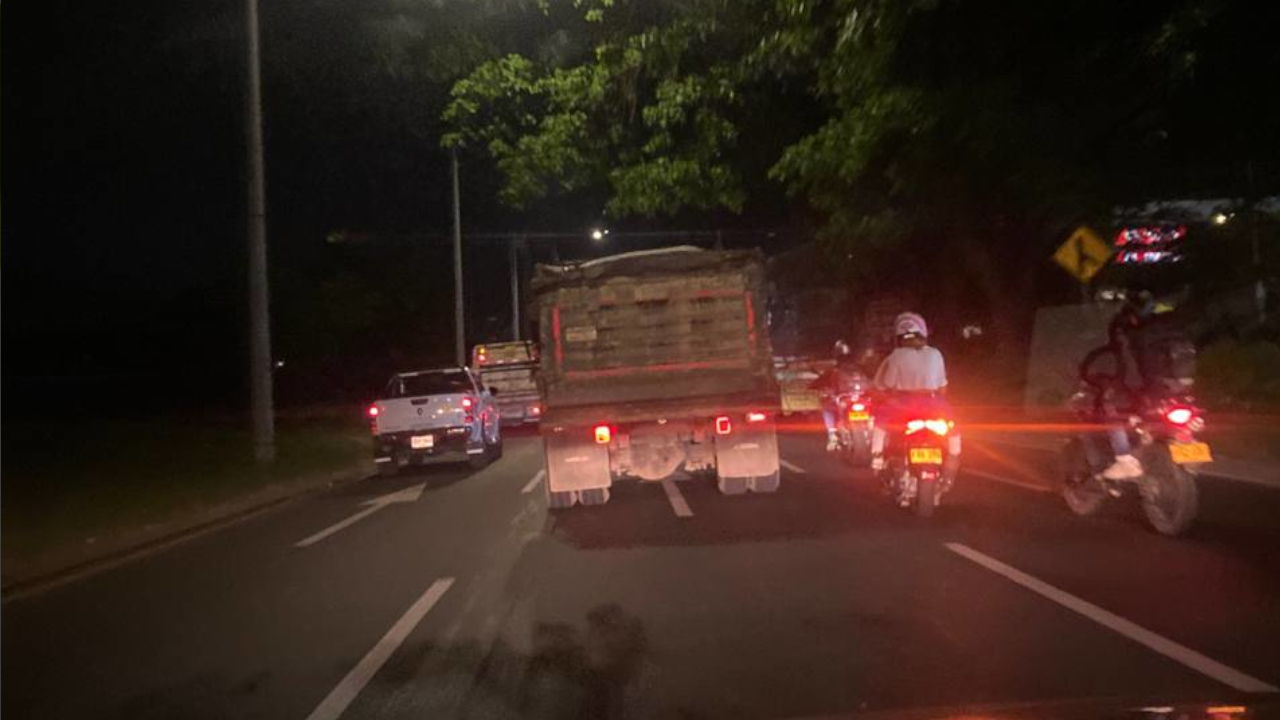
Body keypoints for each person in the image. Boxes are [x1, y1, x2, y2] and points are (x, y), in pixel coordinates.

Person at [1078, 291, 1192, 480]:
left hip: (1145, 387)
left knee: (1112, 408)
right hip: (1176, 386)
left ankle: (1124, 460)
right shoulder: (1167, 320)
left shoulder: (1125, 328)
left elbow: (1122, 361)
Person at [869, 312, 960, 480]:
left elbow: (888, 383)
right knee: (953, 425)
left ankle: (877, 457)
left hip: (903, 402)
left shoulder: (896, 356)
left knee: (880, 422)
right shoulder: (936, 354)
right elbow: (942, 385)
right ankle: (954, 457)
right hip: (934, 402)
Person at [810, 340, 870, 451]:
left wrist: (814, 387)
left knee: (826, 409)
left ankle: (832, 434)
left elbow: (819, 382)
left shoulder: (834, 370)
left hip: (843, 400)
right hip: (862, 399)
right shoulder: (861, 368)